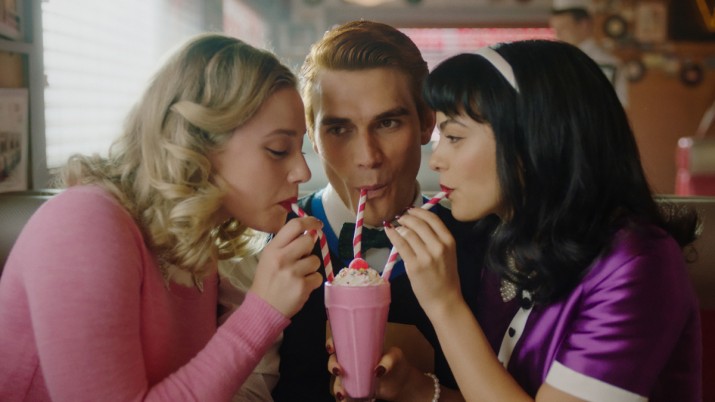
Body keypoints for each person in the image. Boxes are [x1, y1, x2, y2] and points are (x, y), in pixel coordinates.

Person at [361, 39, 702, 401]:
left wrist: (444, 304)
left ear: (533, 139)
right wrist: (415, 389)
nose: (436, 160)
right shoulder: (510, 243)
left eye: (455, 136)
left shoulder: (638, 262)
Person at [0, 33, 325, 401]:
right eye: (278, 149)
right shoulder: (82, 226)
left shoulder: (194, 245)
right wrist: (262, 313)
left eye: (300, 149)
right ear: (197, 143)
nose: (301, 172)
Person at [271, 20, 487, 401]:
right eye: (339, 129)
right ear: (312, 135)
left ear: (427, 122)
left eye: (387, 123)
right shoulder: (275, 241)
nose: (368, 157)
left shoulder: (485, 244)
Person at [549, 0, 629, 108]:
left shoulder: (608, 64)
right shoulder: (556, 62)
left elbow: (618, 108)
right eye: (556, 30)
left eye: (563, 28)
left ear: (584, 25)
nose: (558, 35)